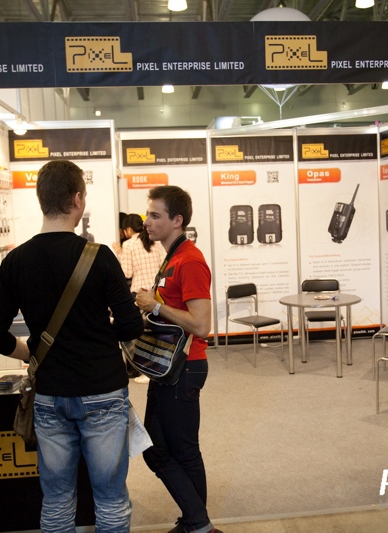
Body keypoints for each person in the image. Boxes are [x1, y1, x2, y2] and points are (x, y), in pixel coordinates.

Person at [0, 159, 142, 533]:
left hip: (50, 393)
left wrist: (29, 353)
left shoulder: (15, 260)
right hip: (102, 389)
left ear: (41, 200)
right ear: (77, 199)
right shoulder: (99, 256)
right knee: (110, 498)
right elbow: (131, 325)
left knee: (56, 499)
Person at [134, 186, 221, 533]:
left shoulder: (190, 260)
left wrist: (155, 306)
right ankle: (196, 521)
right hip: (166, 367)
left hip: (185, 368)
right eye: (148, 214)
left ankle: (197, 524)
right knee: (155, 448)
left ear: (177, 220)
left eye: (155, 215)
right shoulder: (172, 257)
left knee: (182, 451)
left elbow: (201, 325)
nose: (147, 221)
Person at [113, 213, 166, 384]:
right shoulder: (155, 242)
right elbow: (163, 266)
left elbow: (126, 272)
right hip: (156, 293)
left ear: (129, 230)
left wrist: (120, 254)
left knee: (141, 335)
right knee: (157, 332)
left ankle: (146, 371)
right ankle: (158, 368)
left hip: (139, 294)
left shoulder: (128, 244)